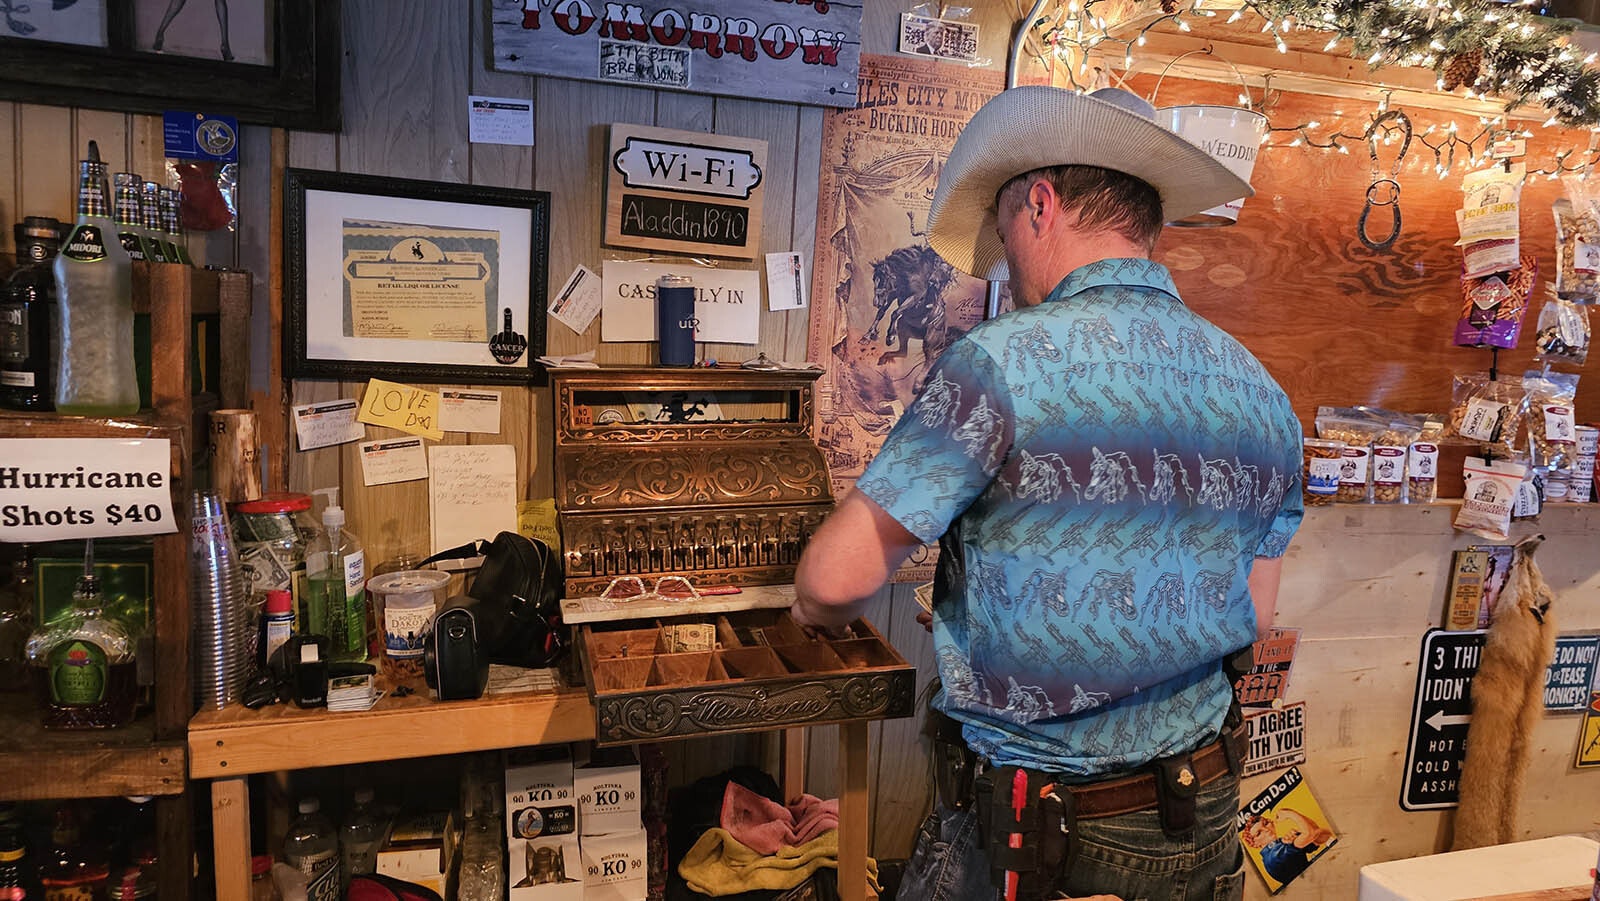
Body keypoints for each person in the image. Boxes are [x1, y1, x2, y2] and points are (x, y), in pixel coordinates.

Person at [791, 85, 1304, 901]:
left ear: (1041, 204)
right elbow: (1255, 610)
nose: (1006, 268)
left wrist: (808, 611)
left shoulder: (1002, 362)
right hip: (1203, 817)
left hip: (1049, 835)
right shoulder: (1260, 387)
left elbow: (836, 579)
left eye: (1002, 236)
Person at [1240, 810, 1331, 886]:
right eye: (1259, 833)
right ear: (1254, 844)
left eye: (1266, 823)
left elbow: (1324, 836)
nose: (1267, 830)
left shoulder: (1282, 842)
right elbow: (1312, 833)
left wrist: (1307, 835)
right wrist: (1290, 814)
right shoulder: (1273, 857)